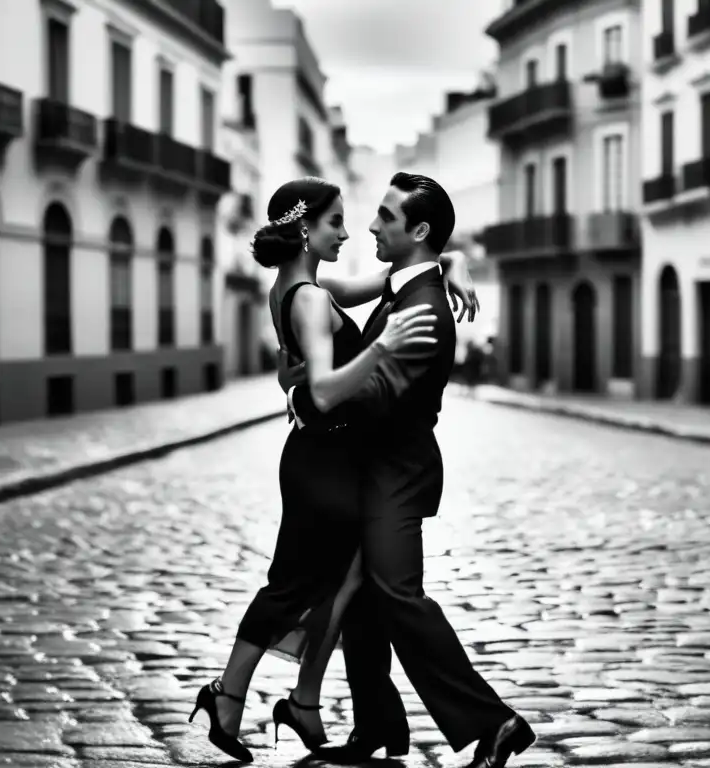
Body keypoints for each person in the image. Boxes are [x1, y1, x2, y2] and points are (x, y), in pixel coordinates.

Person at [189, 176, 479, 763]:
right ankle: (231, 694)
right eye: (334, 223)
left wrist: (455, 260)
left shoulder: (301, 287)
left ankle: (301, 698)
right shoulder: (313, 298)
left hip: (324, 458)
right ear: (304, 229)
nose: (349, 232)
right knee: (296, 583)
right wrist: (381, 346)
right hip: (322, 461)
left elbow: (403, 269)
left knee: (342, 581)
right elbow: (321, 391)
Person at [286, 172, 535, 768]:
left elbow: (376, 399)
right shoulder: (407, 288)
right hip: (378, 472)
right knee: (367, 602)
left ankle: (495, 722)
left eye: (386, 217)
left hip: (395, 474)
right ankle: (375, 725)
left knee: (398, 595)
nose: (371, 225)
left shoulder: (421, 309)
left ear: (417, 230)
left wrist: (310, 397)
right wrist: (450, 258)